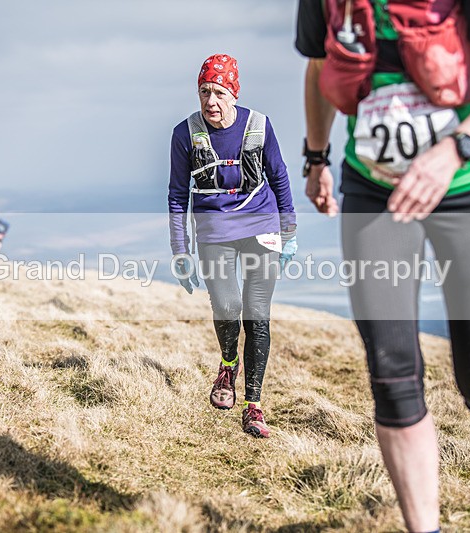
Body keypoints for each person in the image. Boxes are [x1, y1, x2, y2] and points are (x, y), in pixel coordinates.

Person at [297, 1, 470, 532]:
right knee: (392, 375)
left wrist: (452, 152)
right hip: (375, 193)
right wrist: (318, 158)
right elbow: (322, 63)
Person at [168, 53, 297, 438]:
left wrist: (289, 234)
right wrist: (180, 250)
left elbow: (280, 179)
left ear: (233, 94)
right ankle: (228, 364)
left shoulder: (259, 126)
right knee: (227, 306)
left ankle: (253, 406)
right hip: (213, 231)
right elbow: (178, 194)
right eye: (204, 92)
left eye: (219, 92)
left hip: (261, 225)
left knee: (256, 315)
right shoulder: (184, 134)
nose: (211, 101)